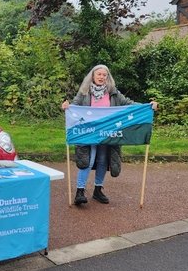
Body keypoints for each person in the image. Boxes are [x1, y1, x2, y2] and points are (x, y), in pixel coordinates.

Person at [62, 64, 157, 205]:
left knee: (102, 160)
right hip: (89, 133)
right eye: (99, 74)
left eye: (104, 75)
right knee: (88, 160)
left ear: (107, 78)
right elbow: (74, 106)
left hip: (108, 133)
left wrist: (147, 107)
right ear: (93, 76)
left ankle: (98, 190)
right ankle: (80, 191)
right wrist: (67, 107)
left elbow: (128, 104)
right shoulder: (84, 92)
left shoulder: (113, 93)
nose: (101, 77)